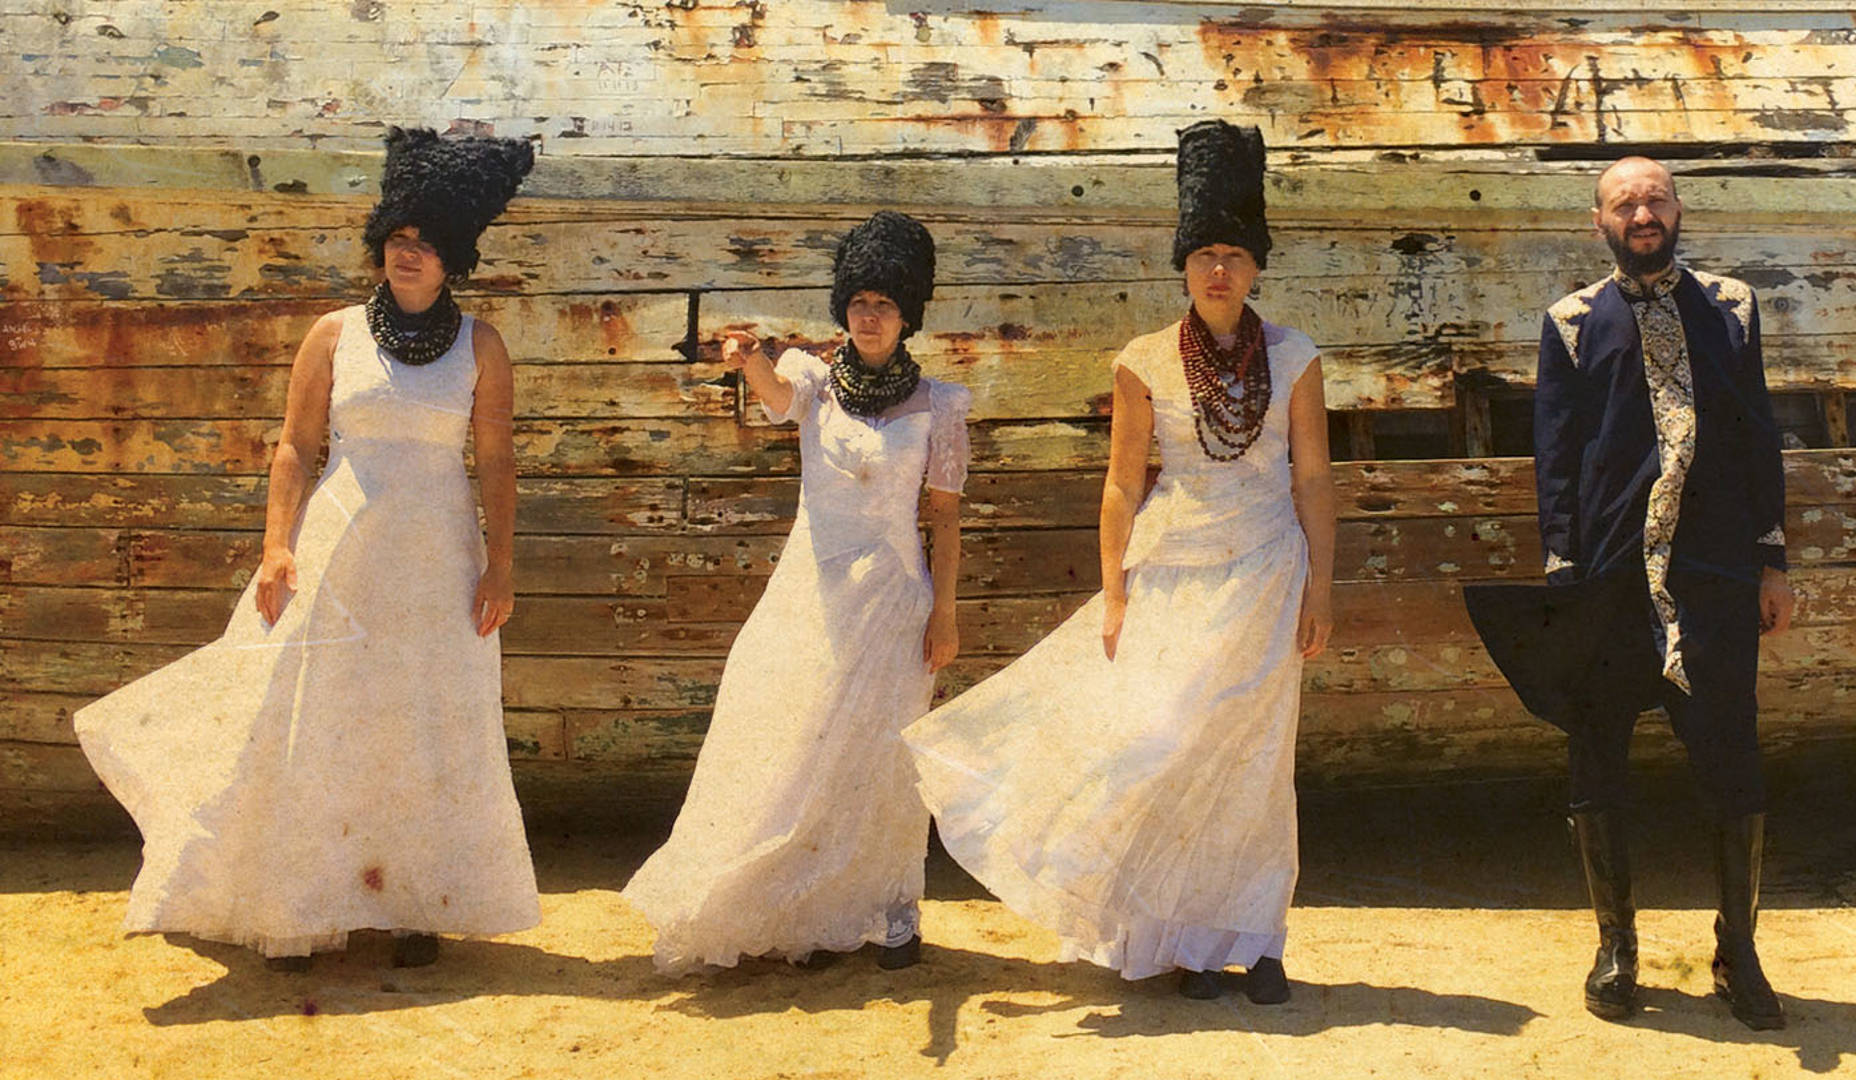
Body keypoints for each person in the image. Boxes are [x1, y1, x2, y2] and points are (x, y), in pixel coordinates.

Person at [73, 126, 542, 971]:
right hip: (339, 552)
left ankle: (413, 902)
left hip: (438, 559)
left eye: (428, 245)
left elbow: (498, 459)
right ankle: (296, 904)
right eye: (399, 239)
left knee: (421, 725)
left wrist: (501, 563)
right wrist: (276, 548)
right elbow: (295, 447)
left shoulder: (483, 347)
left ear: (453, 261)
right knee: (312, 717)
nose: (410, 256)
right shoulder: (332, 334)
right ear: (381, 245)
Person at [904, 120, 1335, 1003]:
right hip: (1171, 570)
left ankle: (1257, 942)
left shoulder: (1295, 357)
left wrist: (1321, 587)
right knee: (1167, 745)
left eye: (1234, 254)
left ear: (1256, 267)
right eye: (1204, 253)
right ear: (1183, 266)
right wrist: (1112, 597)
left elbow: (1317, 481)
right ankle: (1179, 940)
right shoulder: (1141, 360)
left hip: (1265, 571)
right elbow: (1119, 487)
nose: (1219, 269)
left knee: (1252, 760)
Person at [1464, 156, 1793, 1030]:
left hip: (1718, 574)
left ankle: (1740, 951)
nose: (1642, 213)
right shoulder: (1571, 323)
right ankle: (1617, 948)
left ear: (1678, 209)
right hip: (1608, 579)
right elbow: (1558, 459)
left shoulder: (1731, 309)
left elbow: (1760, 435)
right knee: (1596, 754)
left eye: (1655, 199)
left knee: (1732, 756)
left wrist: (1774, 560)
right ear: (1599, 221)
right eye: (1624, 203)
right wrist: (1565, 576)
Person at [623, 211, 971, 974]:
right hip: (811, 589)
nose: (870, 316)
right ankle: (809, 910)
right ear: (843, 309)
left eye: (884, 303)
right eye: (858, 303)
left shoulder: (940, 406)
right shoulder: (816, 382)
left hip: (894, 595)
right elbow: (775, 396)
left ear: (908, 313)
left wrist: (944, 612)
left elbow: (943, 519)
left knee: (883, 754)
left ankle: (890, 913)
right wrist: (747, 358)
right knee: (797, 737)